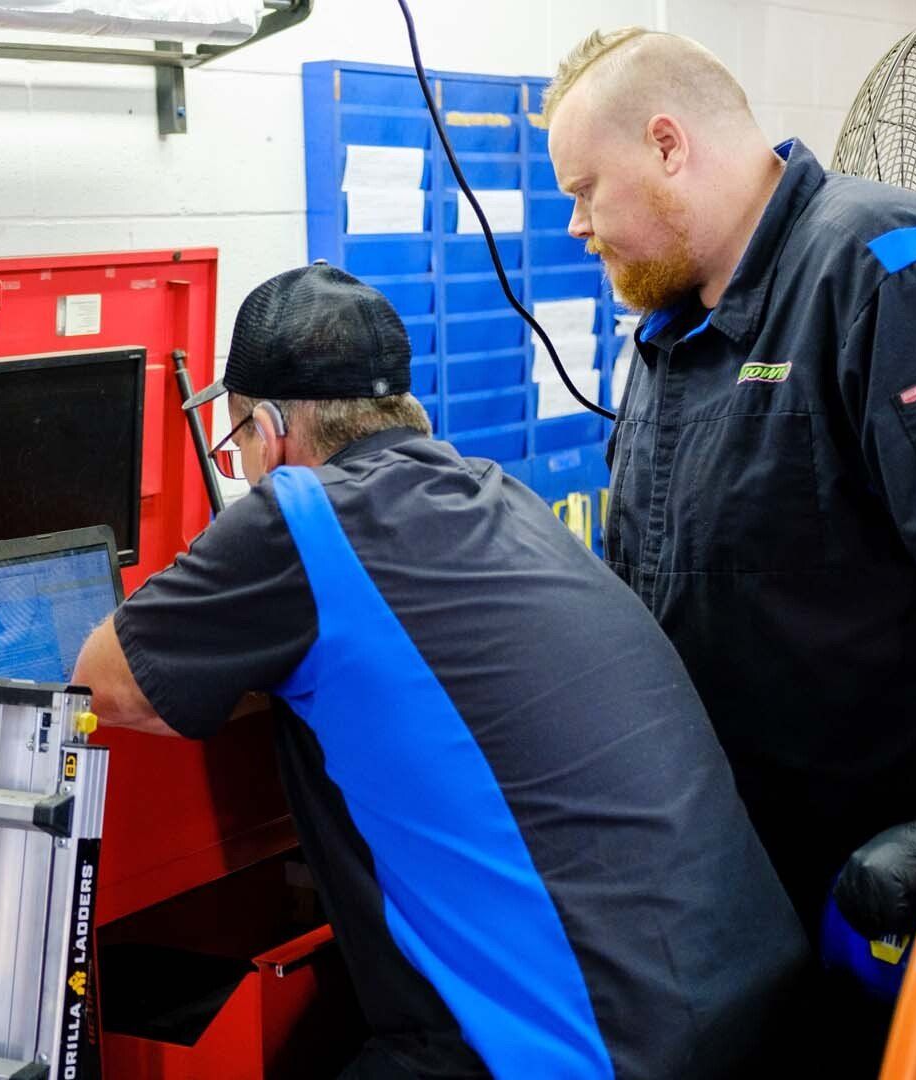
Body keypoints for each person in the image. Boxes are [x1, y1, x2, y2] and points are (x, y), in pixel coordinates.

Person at [71, 262, 806, 1080]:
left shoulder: (303, 516)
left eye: (238, 441)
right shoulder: (503, 495)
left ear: (271, 429)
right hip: (757, 1004)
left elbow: (102, 682)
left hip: (598, 1048)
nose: (244, 468)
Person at [543, 25, 916, 1069]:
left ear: (668, 145)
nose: (577, 225)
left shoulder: (886, 267)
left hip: (887, 885)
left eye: (585, 190)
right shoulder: (670, 336)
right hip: (743, 880)